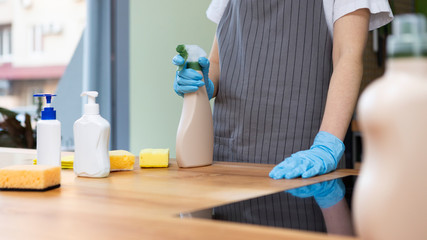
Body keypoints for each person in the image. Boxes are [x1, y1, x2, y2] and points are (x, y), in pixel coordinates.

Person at [173, 0, 393, 179]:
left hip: (302, 165)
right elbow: (219, 63)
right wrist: (202, 81)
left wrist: (326, 146)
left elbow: (347, 57)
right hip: (226, 163)